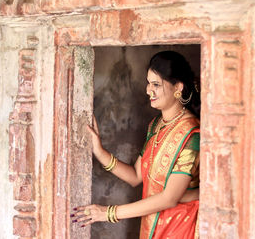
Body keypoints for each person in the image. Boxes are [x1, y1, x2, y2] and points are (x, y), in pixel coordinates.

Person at [71, 51, 201, 239]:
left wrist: (107, 213)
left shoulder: (191, 134)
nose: (149, 90)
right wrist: (99, 151)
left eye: (156, 84)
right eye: (149, 83)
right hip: (152, 223)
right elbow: (136, 176)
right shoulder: (156, 125)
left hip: (180, 226)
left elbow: (169, 198)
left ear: (177, 87)